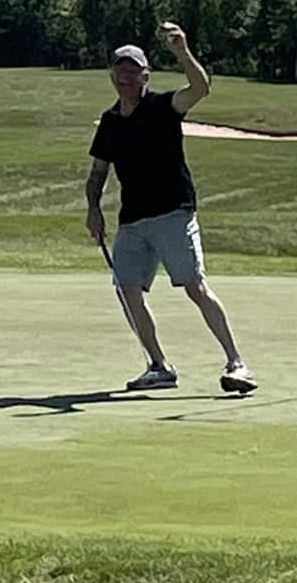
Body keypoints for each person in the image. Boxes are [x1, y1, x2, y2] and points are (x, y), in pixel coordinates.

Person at [84, 23, 257, 396]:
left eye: (133, 71)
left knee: (194, 286)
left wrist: (182, 51)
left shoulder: (162, 107)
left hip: (173, 212)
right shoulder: (110, 122)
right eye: (120, 70)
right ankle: (159, 366)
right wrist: (93, 209)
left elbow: (200, 88)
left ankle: (236, 363)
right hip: (132, 221)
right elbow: (98, 172)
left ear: (145, 76)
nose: (126, 77)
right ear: (112, 76)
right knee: (127, 290)